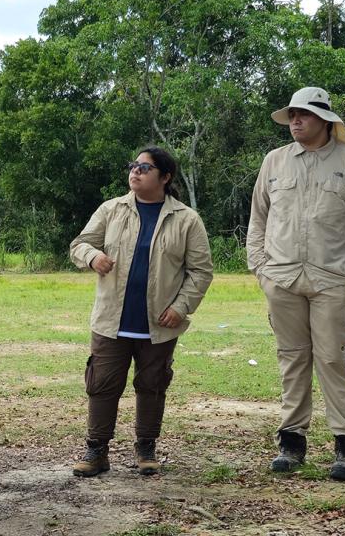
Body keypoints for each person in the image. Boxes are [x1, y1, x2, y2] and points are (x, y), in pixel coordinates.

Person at [246, 86, 345, 481]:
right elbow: (258, 215)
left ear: (325, 120)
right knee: (291, 357)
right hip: (282, 277)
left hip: (332, 278)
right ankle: (291, 441)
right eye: (291, 116)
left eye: (303, 115)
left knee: (333, 359)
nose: (295, 122)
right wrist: (259, 265)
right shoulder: (275, 161)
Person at [69, 146, 213, 477]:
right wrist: (93, 257)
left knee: (152, 385)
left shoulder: (186, 219)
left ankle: (146, 447)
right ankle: (96, 450)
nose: (135, 171)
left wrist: (181, 307)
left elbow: (201, 271)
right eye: (133, 165)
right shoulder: (111, 209)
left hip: (159, 323)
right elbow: (79, 244)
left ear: (165, 177)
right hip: (111, 320)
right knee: (102, 385)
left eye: (144, 168)